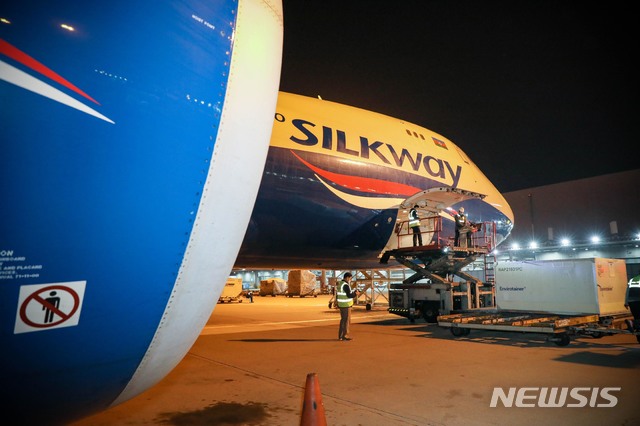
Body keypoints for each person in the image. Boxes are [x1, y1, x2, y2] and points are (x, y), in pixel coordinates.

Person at [337, 272, 359, 341]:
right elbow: (349, 295)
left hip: (341, 305)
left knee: (343, 320)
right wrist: (356, 294)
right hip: (345, 305)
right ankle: (344, 336)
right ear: (347, 277)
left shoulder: (340, 284)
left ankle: (341, 336)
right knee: (346, 321)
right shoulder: (345, 285)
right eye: (350, 278)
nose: (350, 279)